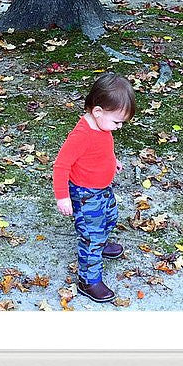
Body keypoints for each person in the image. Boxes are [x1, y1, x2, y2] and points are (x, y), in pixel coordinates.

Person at [52, 72, 136, 303]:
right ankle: (88, 280)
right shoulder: (80, 135)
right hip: (85, 194)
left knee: (110, 217)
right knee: (90, 236)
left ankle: (101, 242)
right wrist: (63, 197)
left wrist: (112, 161)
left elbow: (103, 149)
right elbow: (61, 166)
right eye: (117, 121)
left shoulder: (102, 127)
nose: (119, 127)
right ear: (98, 111)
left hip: (102, 189)